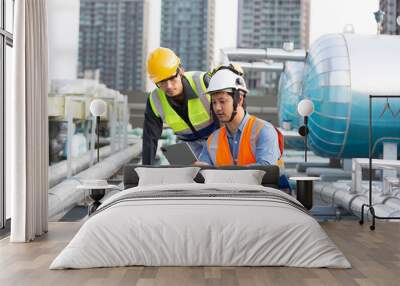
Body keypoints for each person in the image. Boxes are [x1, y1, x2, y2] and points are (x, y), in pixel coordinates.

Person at [142, 47, 217, 165]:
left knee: (211, 173)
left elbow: (226, 120)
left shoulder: (203, 82)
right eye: (162, 82)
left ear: (181, 71)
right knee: (182, 177)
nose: (169, 86)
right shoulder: (155, 100)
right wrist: (145, 171)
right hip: (188, 147)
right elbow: (149, 139)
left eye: (172, 78)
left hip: (215, 140)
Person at [197, 68, 284, 167]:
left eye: (222, 101)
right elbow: (204, 170)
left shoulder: (264, 131)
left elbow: (266, 170)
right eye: (214, 102)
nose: (217, 108)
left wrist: (225, 172)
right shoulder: (213, 139)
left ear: (239, 99)